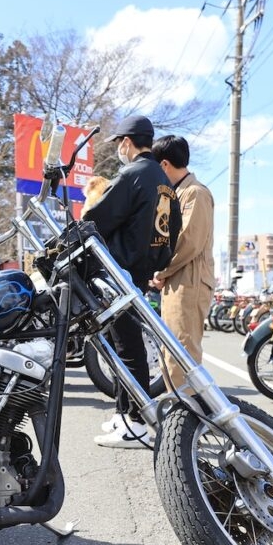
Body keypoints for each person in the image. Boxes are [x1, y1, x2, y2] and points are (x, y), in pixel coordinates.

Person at [83, 115, 181, 449]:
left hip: (119, 271)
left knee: (126, 349)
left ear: (127, 142)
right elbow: (172, 231)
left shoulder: (134, 174)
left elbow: (97, 218)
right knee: (122, 346)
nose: (119, 149)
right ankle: (124, 414)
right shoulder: (163, 181)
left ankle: (135, 422)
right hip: (139, 272)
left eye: (119, 143)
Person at [150, 135, 215, 389]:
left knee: (182, 353)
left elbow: (189, 241)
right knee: (173, 351)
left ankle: (185, 420)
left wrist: (161, 270)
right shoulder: (180, 193)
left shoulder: (195, 193)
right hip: (180, 278)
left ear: (164, 165)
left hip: (189, 280)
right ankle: (179, 417)